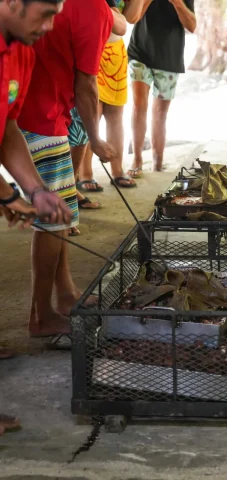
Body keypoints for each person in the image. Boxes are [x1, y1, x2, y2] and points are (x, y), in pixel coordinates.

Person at [17, 0, 117, 342]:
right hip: (41, 116)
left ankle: (66, 295)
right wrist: (95, 139)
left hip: (33, 109)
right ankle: (41, 315)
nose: (47, 24)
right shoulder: (94, 8)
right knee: (52, 221)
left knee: (61, 215)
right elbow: (87, 82)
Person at [0, 0, 73, 437]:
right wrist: (6, 194)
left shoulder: (23, 51)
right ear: (10, 2)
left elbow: (6, 129)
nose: (49, 26)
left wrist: (36, 190)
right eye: (44, 13)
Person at [77, 0, 145, 193]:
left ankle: (117, 170)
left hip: (116, 51)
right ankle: (85, 174)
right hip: (93, 49)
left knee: (115, 115)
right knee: (93, 113)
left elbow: (130, 19)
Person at [126, 0, 196, 177]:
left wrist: (178, 4)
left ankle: (157, 162)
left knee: (160, 113)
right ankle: (137, 159)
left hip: (169, 56)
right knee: (139, 105)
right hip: (139, 52)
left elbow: (192, 26)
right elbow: (132, 18)